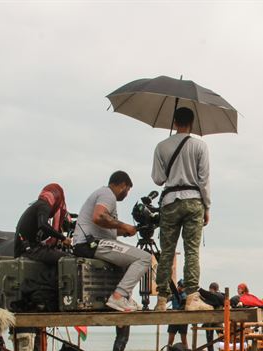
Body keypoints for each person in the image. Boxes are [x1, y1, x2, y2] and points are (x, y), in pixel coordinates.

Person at [152, 107, 213, 312]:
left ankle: (161, 299)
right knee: (191, 250)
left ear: (174, 122)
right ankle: (192, 298)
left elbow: (158, 179)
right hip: (194, 199)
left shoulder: (161, 147)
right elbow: (204, 180)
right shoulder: (200, 146)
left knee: (166, 251)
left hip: (169, 201)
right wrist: (207, 206)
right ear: (192, 123)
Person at [72, 171, 151, 312]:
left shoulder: (103, 194)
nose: (126, 195)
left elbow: (105, 225)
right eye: (127, 191)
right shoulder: (108, 194)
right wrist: (123, 225)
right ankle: (118, 296)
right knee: (144, 258)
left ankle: (124, 297)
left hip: (93, 242)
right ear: (122, 185)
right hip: (90, 244)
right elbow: (99, 216)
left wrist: (125, 231)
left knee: (130, 257)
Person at [14, 183, 72, 265]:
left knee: (56, 254)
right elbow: (43, 225)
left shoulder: (37, 205)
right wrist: (63, 238)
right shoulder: (44, 206)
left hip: (25, 248)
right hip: (29, 250)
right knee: (69, 259)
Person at [167, 280, 189, 348]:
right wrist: (169, 294)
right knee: (170, 339)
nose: (180, 288)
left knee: (183, 339)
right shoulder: (173, 295)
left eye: (182, 287)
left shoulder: (186, 295)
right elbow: (166, 300)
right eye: (179, 286)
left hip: (183, 318)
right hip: (174, 317)